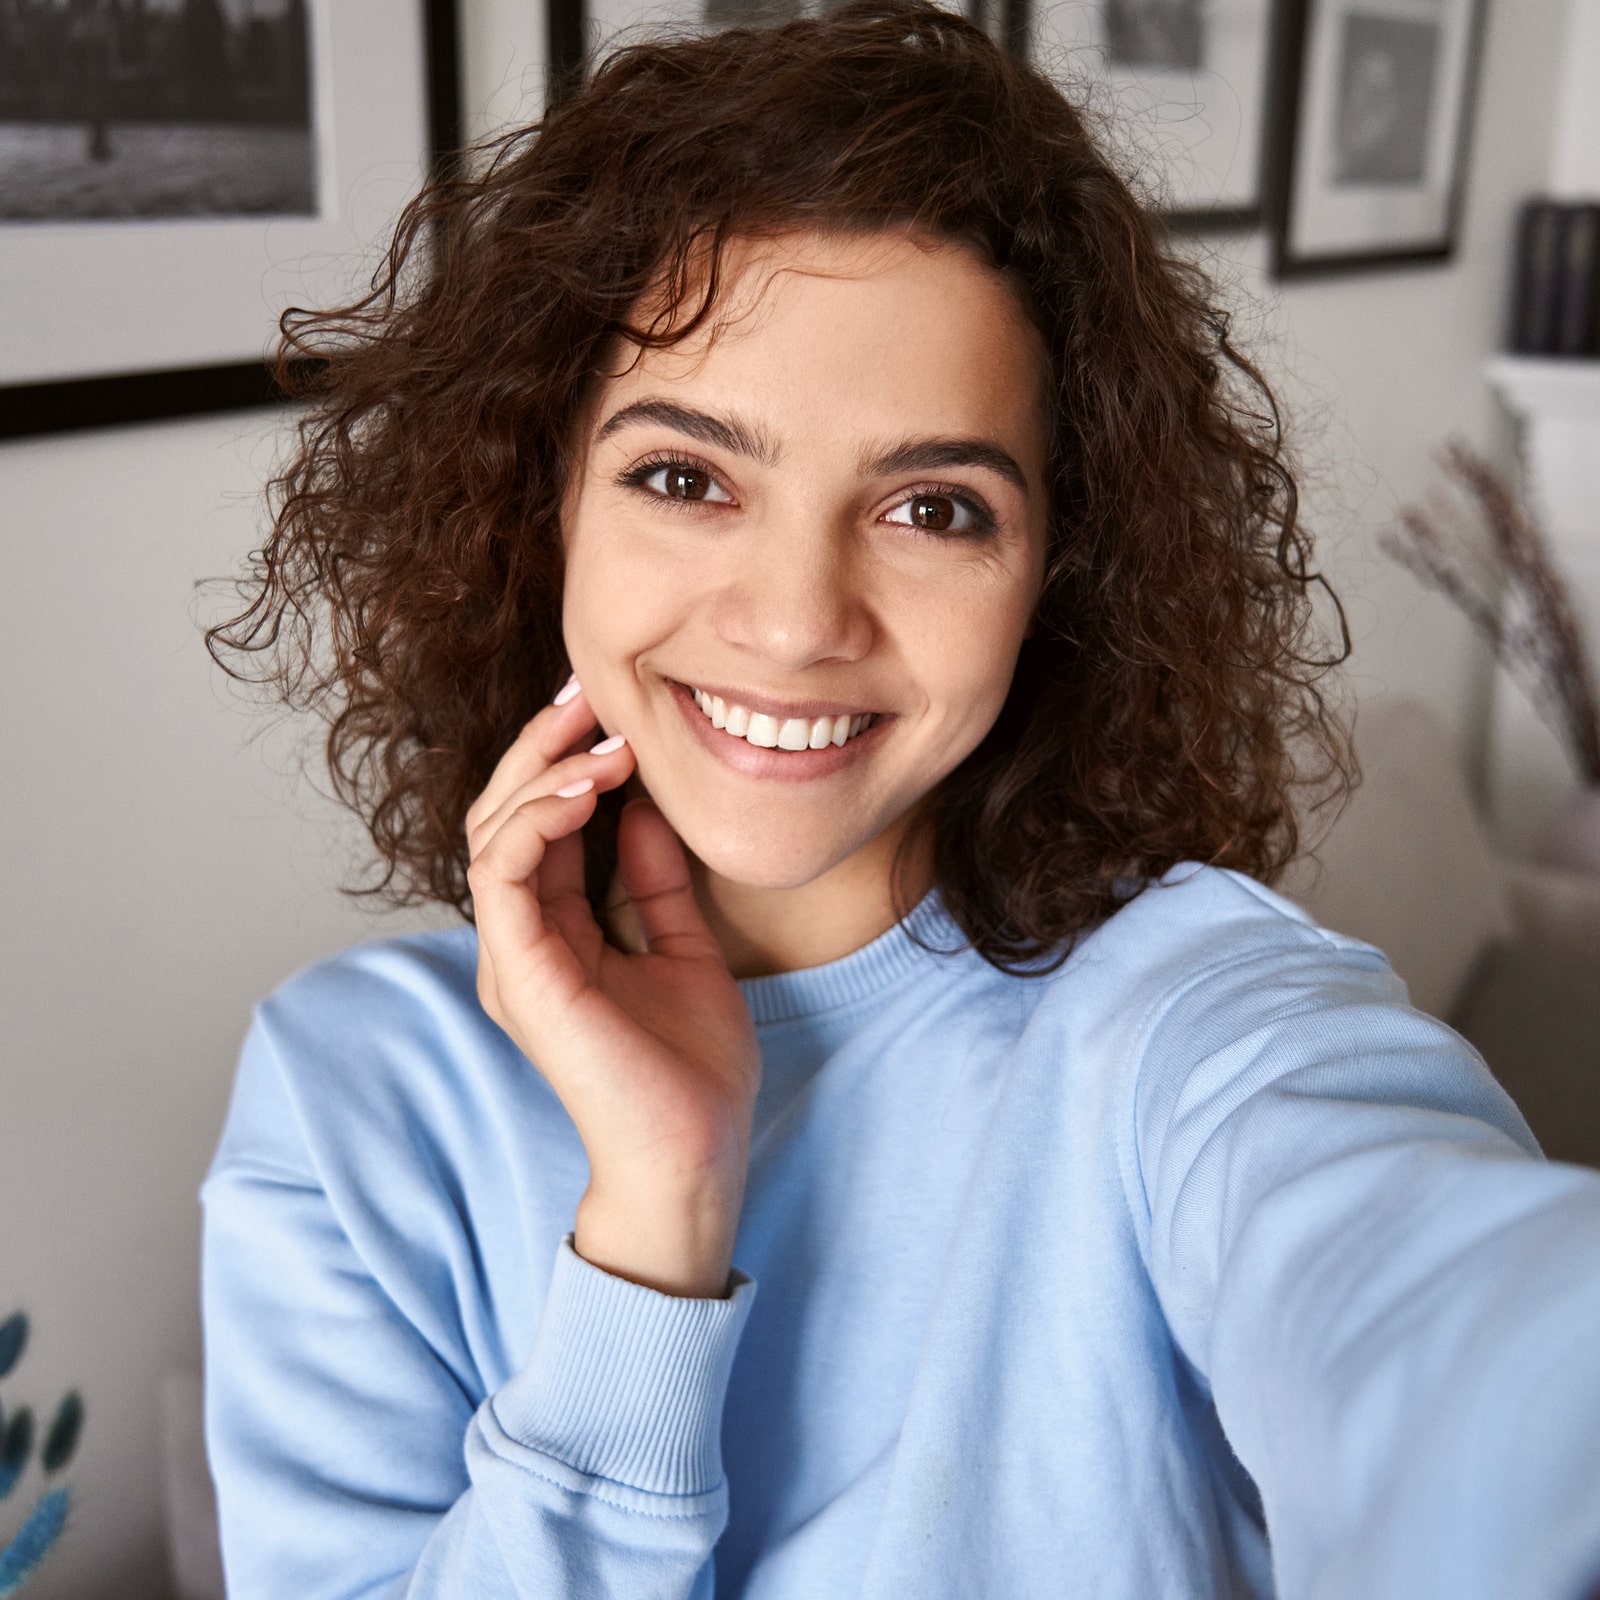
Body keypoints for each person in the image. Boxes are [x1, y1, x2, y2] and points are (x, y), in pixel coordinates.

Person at [197, 3, 1600, 1596]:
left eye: (934, 507)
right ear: (545, 507)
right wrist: (657, 1218)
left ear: (1058, 575)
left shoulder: (1193, 1022)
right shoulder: (350, 1095)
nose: (798, 619)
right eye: (685, 476)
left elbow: (1457, 1323)